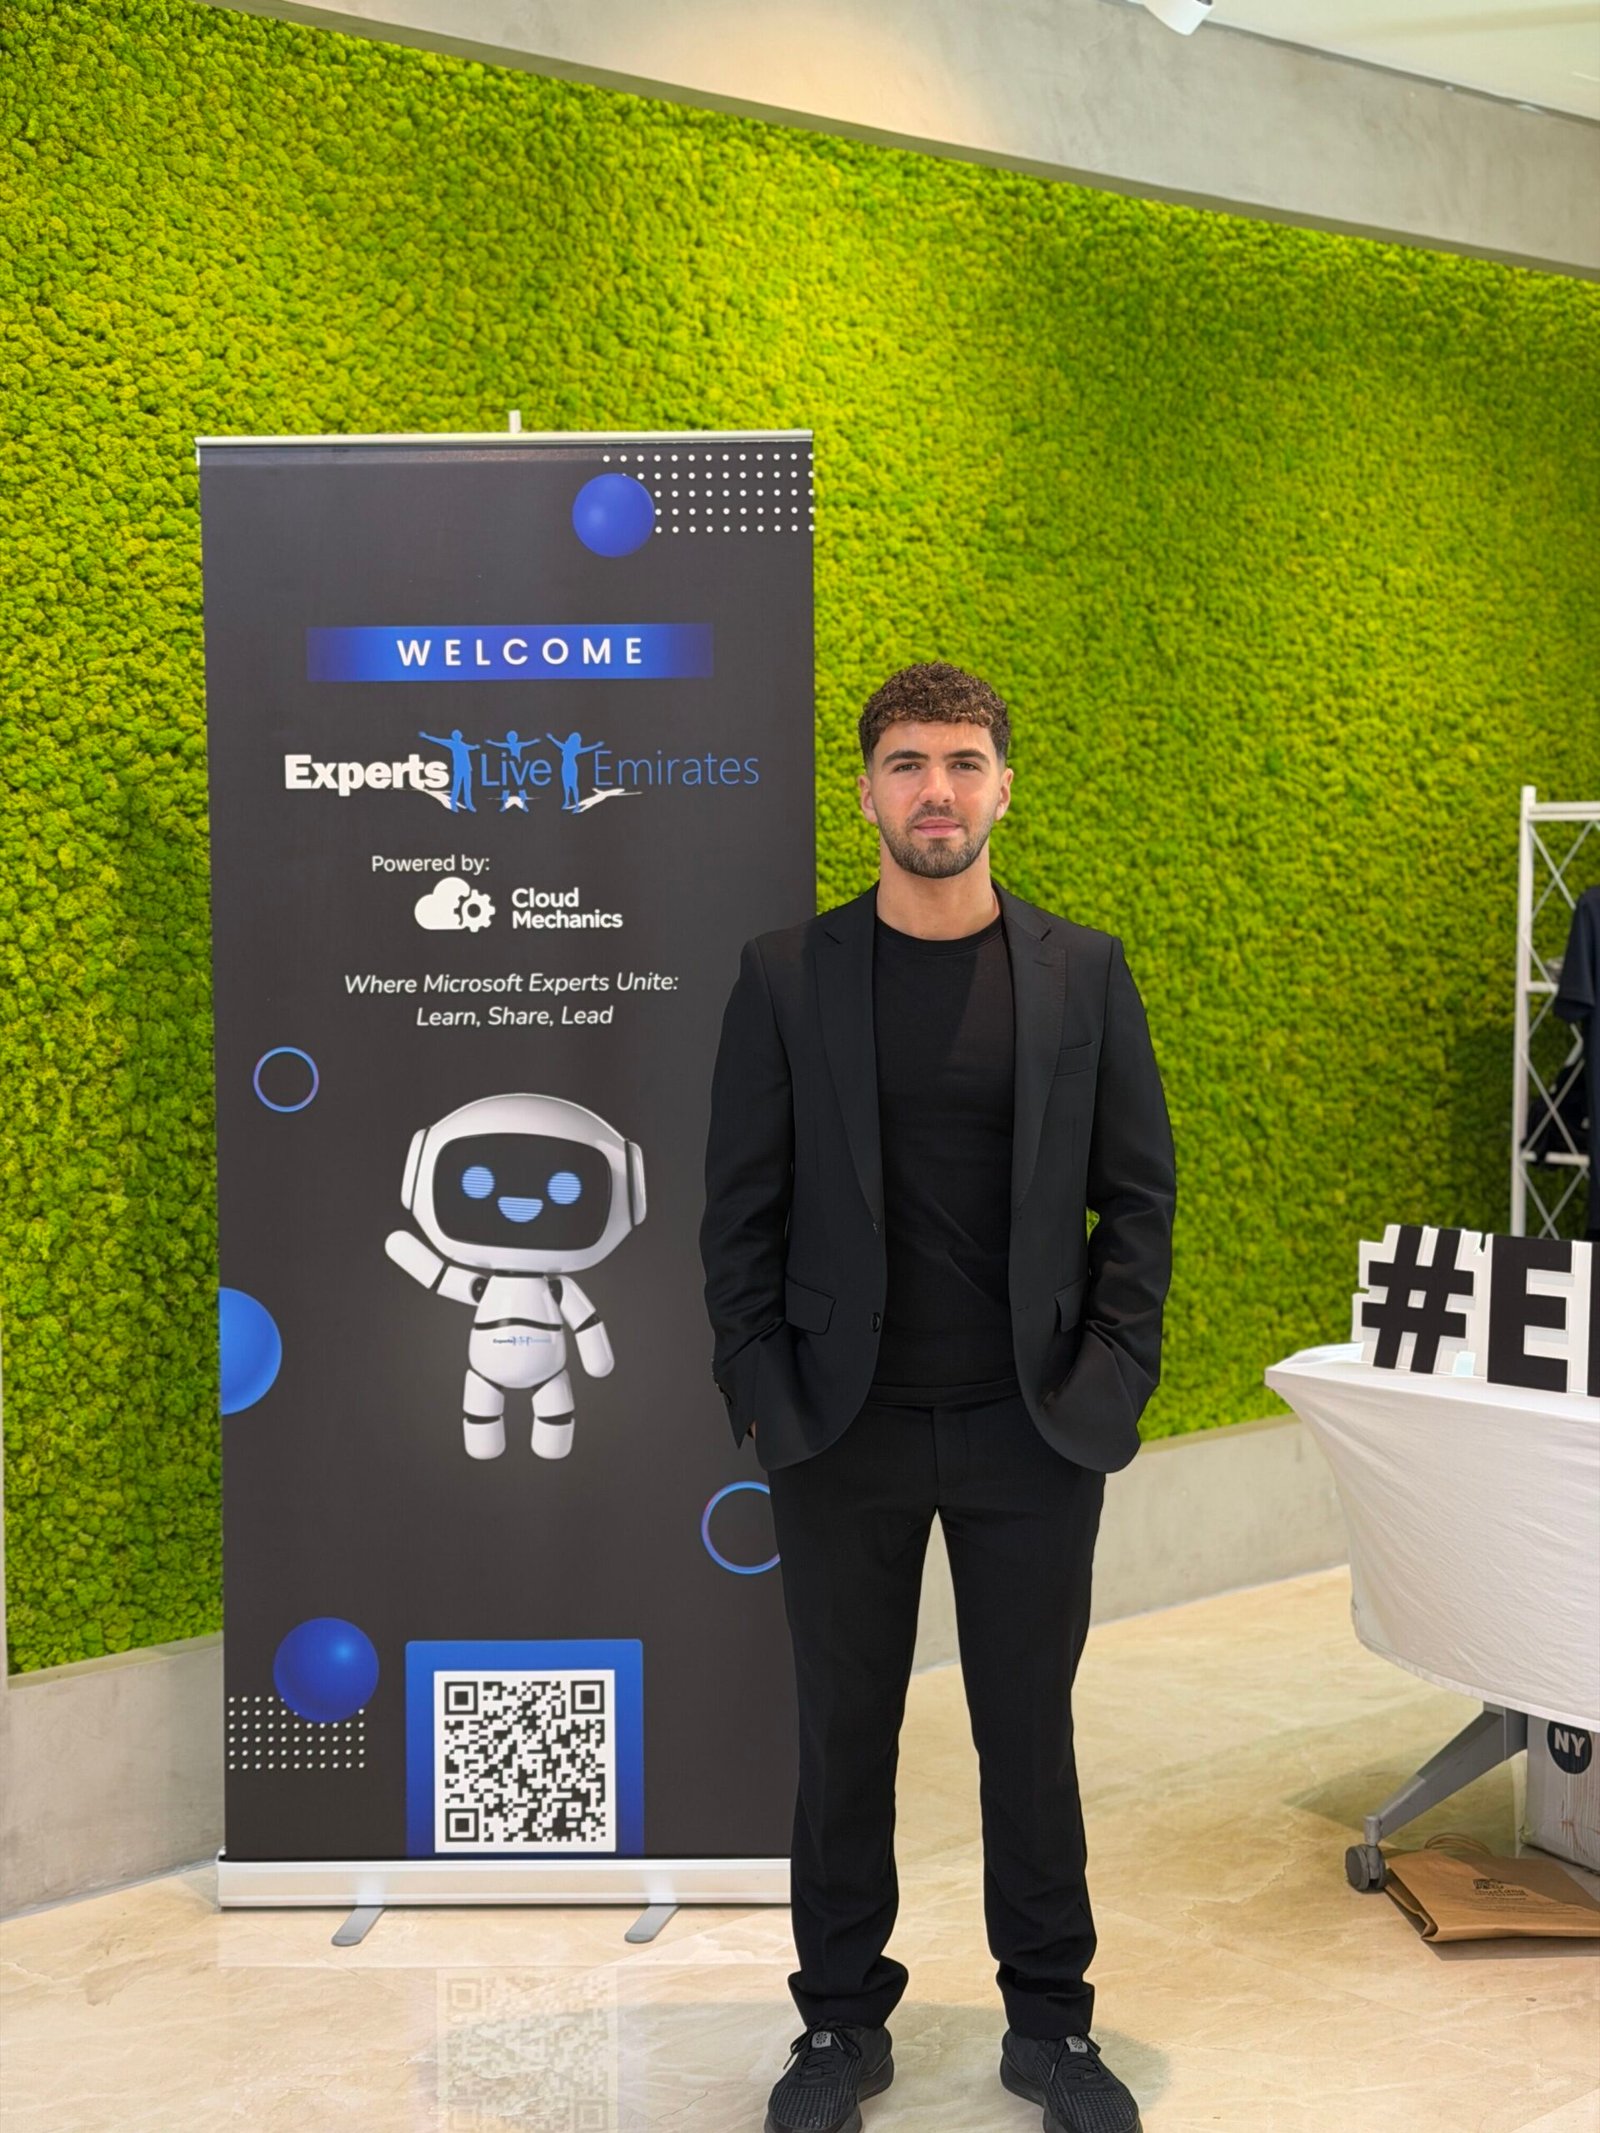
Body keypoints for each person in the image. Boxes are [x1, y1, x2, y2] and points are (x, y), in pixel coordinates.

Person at [699, 662, 1176, 2133]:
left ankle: (1053, 2027)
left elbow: (1138, 1198)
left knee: (1027, 1732)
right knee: (845, 1734)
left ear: (1003, 789)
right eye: (908, 764)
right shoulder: (787, 975)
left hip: (1033, 1427)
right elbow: (738, 1213)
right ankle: (839, 2026)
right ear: (866, 793)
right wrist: (763, 1394)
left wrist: (1109, 1377)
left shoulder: (1082, 972)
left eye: (964, 763)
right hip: (839, 1429)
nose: (937, 791)